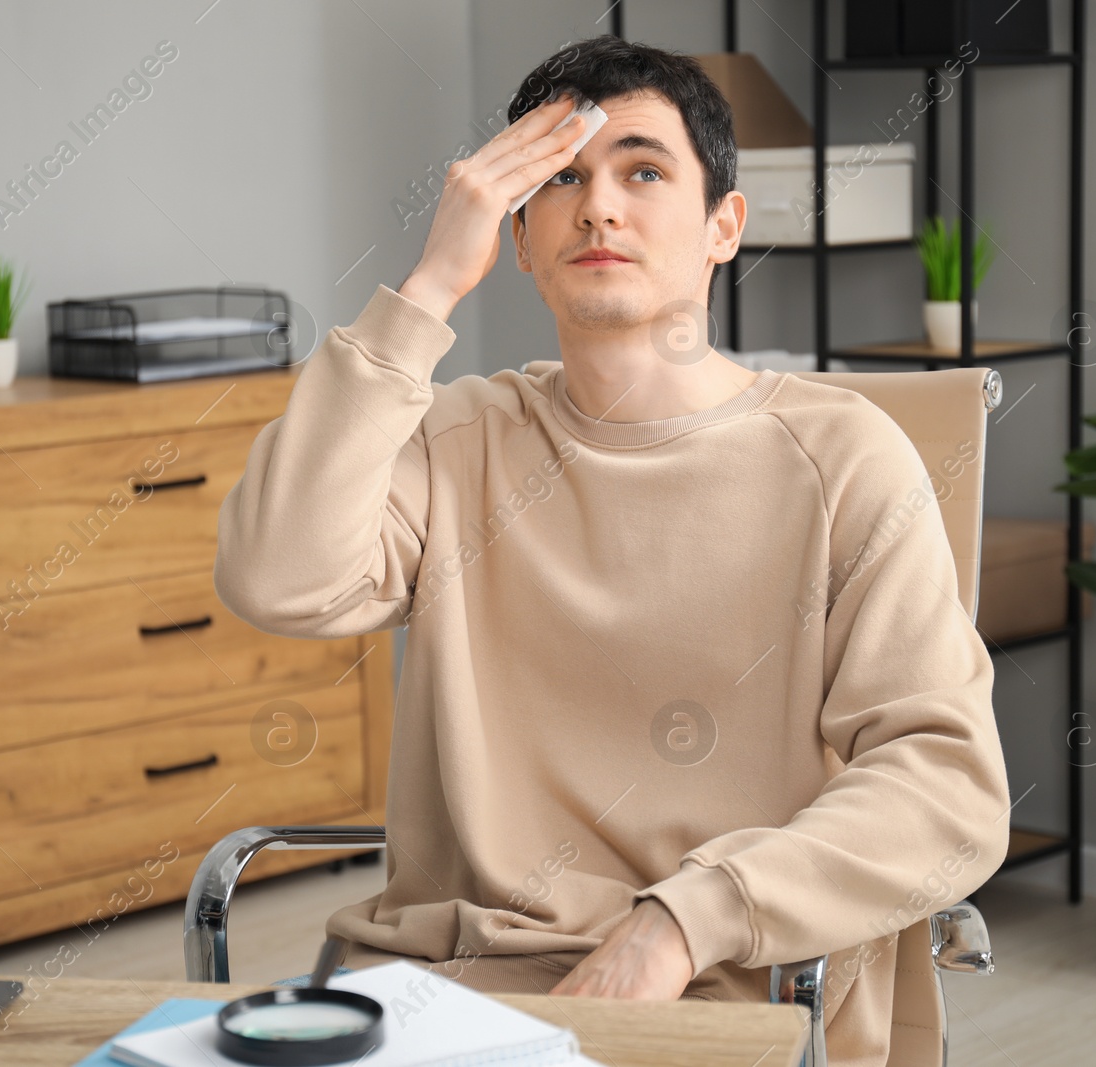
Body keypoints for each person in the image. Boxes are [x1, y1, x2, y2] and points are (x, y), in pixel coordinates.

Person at [214, 34, 1010, 1067]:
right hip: (445, 989)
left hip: (729, 987)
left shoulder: (842, 456)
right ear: (521, 238)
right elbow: (275, 577)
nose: (598, 206)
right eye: (558, 178)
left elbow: (943, 783)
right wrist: (423, 294)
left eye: (642, 169)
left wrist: (684, 919)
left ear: (725, 224)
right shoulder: (460, 439)